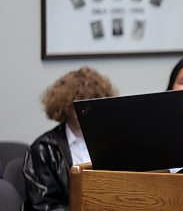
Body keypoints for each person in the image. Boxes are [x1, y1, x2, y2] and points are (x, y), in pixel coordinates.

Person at [23, 67, 117, 211]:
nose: (85, 114)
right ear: (65, 107)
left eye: (91, 106)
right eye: (79, 107)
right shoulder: (44, 149)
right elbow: (43, 205)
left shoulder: (110, 142)